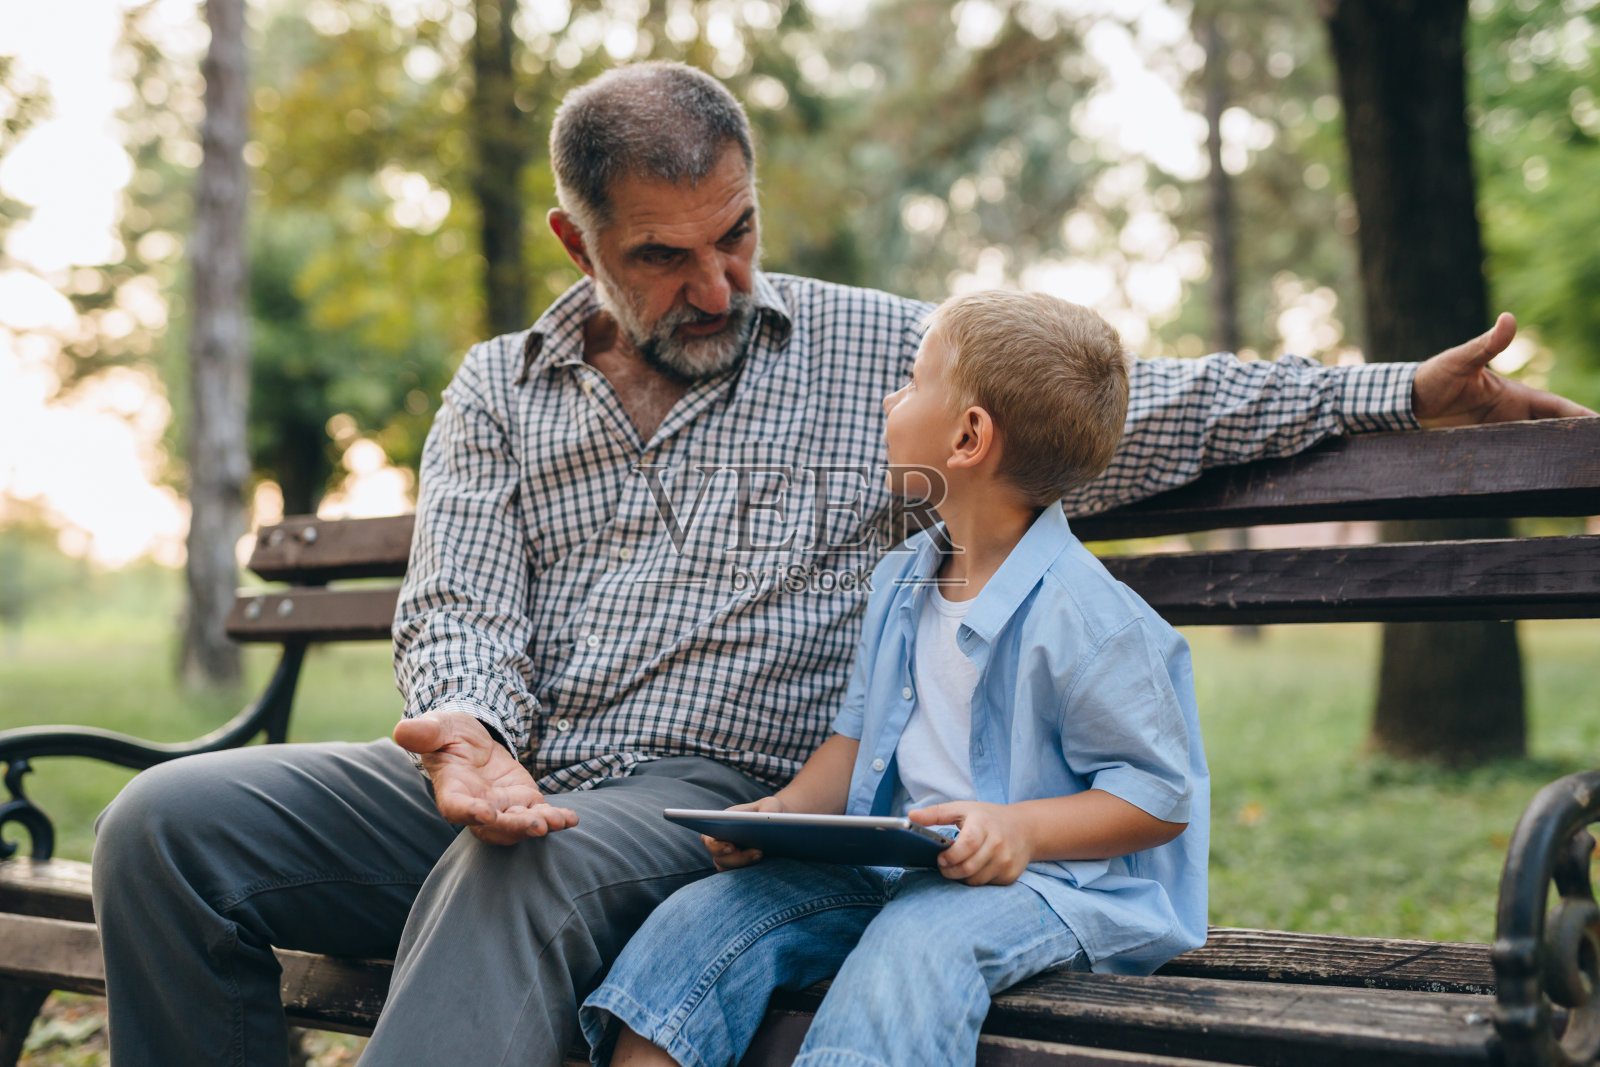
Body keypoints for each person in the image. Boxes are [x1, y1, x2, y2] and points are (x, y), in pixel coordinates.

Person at [88, 61, 1592, 1067]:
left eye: (736, 233)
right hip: (511, 767)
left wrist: (1397, 392)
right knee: (166, 828)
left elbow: (1151, 403)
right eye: (662, 256)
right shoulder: (499, 387)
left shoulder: (874, 354)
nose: (717, 281)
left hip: (726, 801)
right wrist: (468, 729)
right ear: (576, 239)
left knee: (520, 862)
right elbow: (461, 597)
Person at [583, 288, 1206, 1067]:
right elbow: (856, 737)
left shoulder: (1087, 617)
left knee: (910, 952)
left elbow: (1157, 796)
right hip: (897, 867)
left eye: (912, 381)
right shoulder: (902, 578)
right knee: (697, 922)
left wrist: (1019, 829)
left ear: (968, 436)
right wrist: (779, 813)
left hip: (1049, 888)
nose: (890, 399)